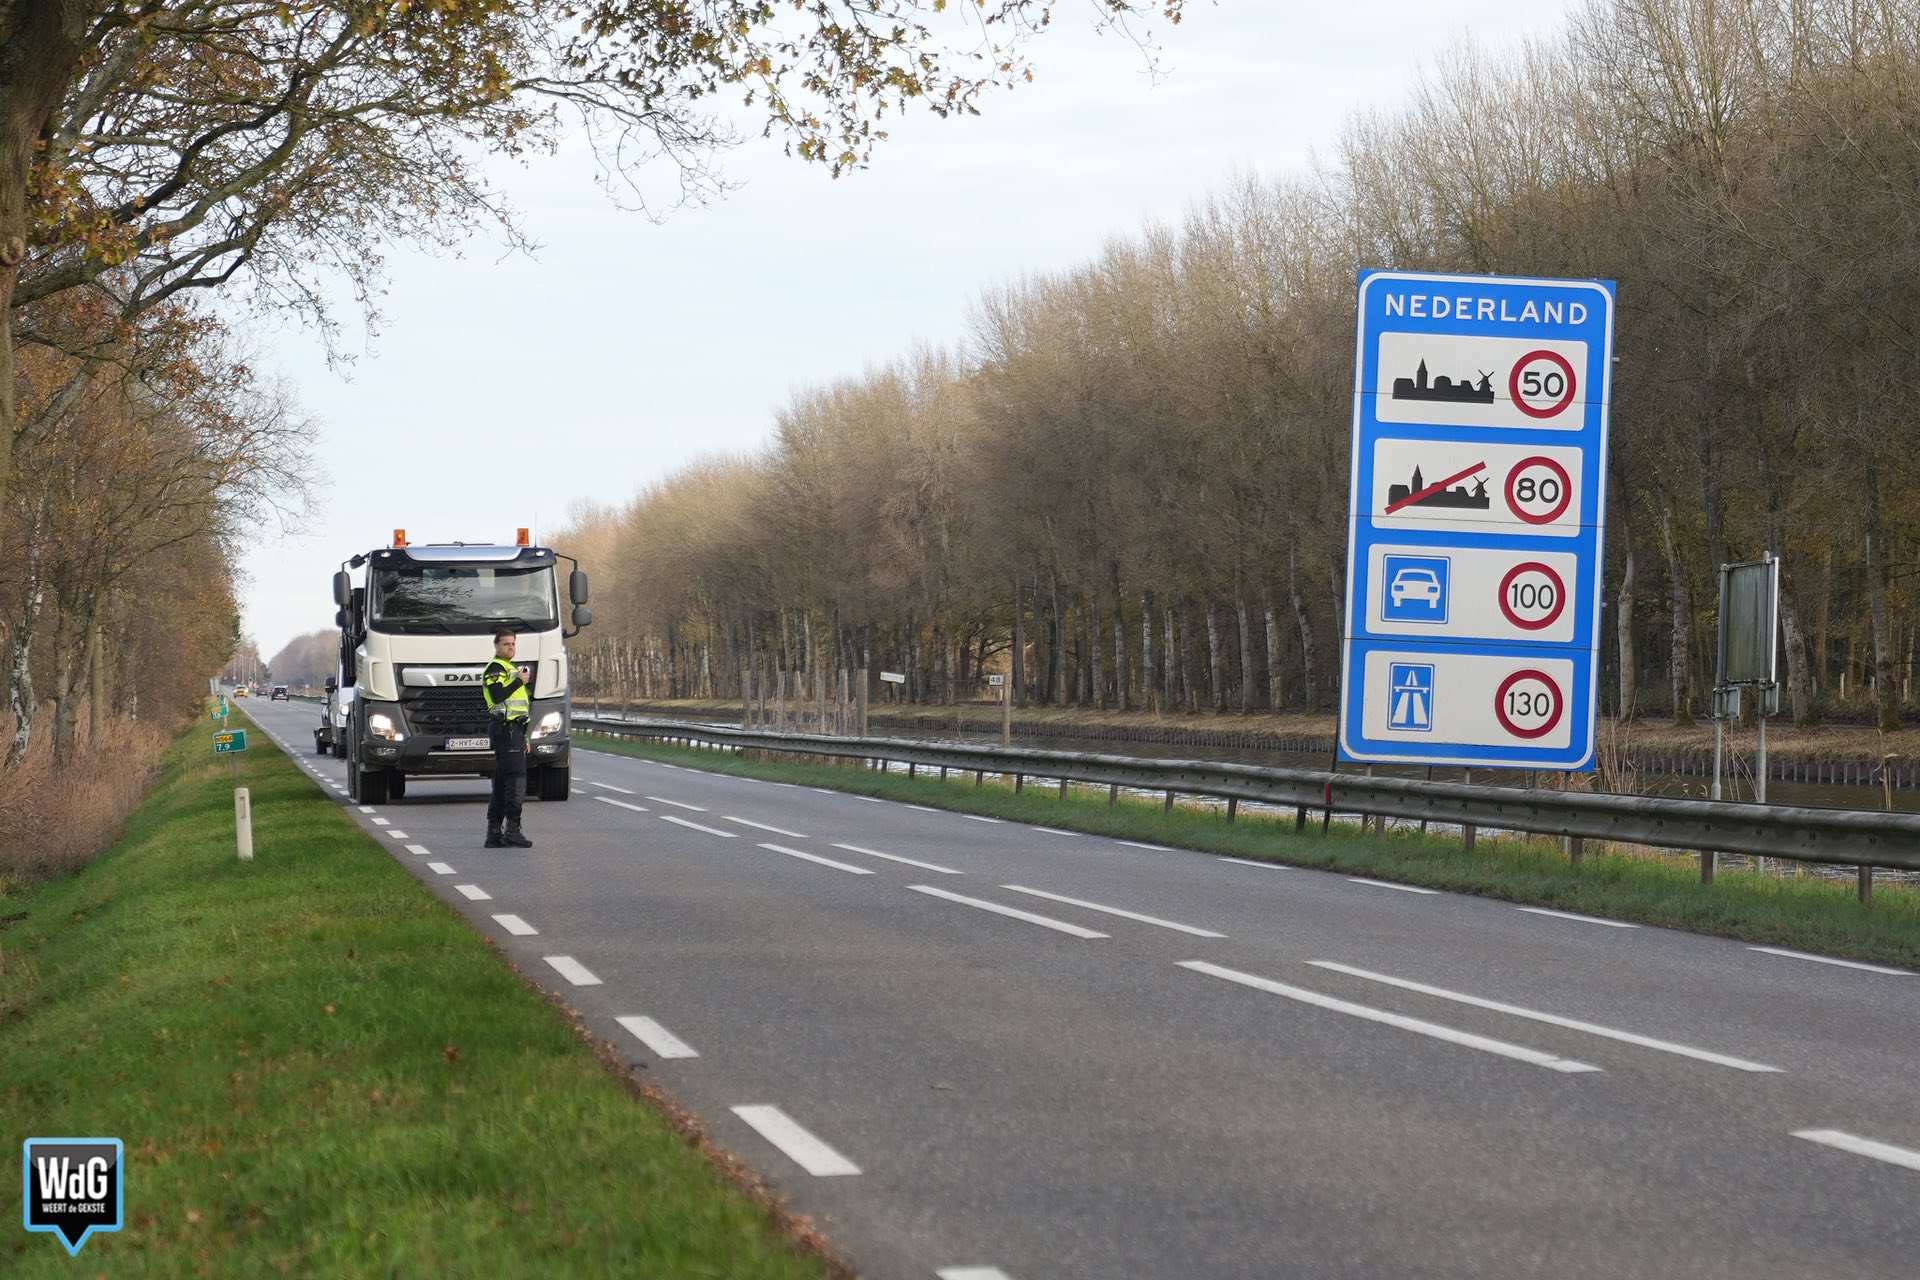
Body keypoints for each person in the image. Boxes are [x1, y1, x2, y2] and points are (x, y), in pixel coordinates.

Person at [481, 630, 533, 848]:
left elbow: (517, 708)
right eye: (506, 644)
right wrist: (519, 682)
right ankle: (512, 829)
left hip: (514, 732)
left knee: (503, 782)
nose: (510, 647)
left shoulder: (510, 668)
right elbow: (497, 696)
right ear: (496, 646)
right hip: (506, 731)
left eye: (513, 644)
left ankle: (494, 833)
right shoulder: (496, 668)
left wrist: (525, 736)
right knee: (516, 779)